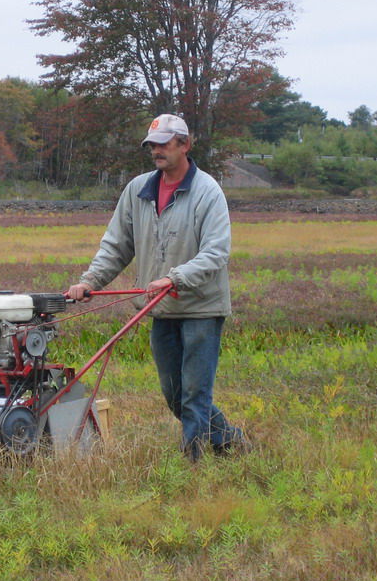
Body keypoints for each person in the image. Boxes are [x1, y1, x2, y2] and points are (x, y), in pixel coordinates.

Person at [67, 113, 248, 461]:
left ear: (185, 145)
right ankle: (230, 440)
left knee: (195, 394)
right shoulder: (138, 190)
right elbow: (117, 245)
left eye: (164, 143)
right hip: (160, 308)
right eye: (152, 145)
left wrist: (174, 277)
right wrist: (89, 281)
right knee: (175, 394)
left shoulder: (207, 191)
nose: (156, 150)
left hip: (201, 308)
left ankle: (191, 463)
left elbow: (216, 252)